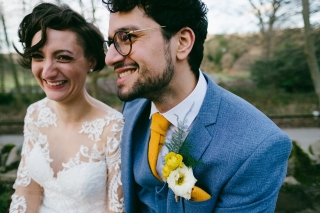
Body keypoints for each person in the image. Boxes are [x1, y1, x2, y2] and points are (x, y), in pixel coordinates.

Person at [102, 0, 293, 212]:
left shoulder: (259, 146)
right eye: (111, 42)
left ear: (182, 42)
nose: (110, 58)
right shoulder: (133, 107)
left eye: (126, 37)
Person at [9, 3, 124, 213]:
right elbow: (29, 192)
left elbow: (116, 209)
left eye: (63, 57)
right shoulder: (35, 114)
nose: (48, 72)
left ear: (91, 61)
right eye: (38, 57)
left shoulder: (114, 128)